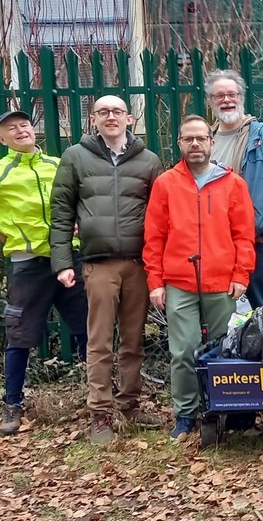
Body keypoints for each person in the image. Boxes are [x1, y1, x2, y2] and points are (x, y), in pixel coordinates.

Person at [0, 110, 89, 436]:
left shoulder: (57, 165)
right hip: (28, 265)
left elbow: (84, 198)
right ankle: (12, 404)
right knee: (20, 337)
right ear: (1, 138)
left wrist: (82, 221)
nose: (21, 130)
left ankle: (100, 402)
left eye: (24, 125)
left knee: (89, 329)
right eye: (12, 128)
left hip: (69, 258)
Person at [50, 95, 164, 443]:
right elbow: (60, 213)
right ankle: (100, 412)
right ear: (94, 119)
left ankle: (129, 404)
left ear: (129, 118)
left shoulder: (149, 161)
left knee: (133, 340)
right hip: (98, 264)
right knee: (99, 341)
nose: (110, 117)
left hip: (138, 264)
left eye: (117, 112)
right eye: (103, 112)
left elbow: (161, 214)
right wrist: (62, 262)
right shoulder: (75, 157)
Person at [144, 115, 256, 439]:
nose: (195, 144)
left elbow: (244, 235)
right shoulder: (166, 183)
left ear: (211, 142)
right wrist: (155, 282)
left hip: (223, 280)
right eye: (188, 139)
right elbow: (154, 237)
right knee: (184, 351)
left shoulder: (233, 184)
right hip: (178, 280)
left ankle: (228, 409)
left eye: (201, 138)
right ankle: (186, 413)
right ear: (179, 143)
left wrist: (241, 275)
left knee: (224, 349)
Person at [205, 69, 263, 307]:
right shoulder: (205, 141)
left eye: (232, 94)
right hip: (217, 247)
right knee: (224, 319)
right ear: (210, 101)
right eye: (219, 96)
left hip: (258, 245)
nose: (226, 100)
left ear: (241, 97)